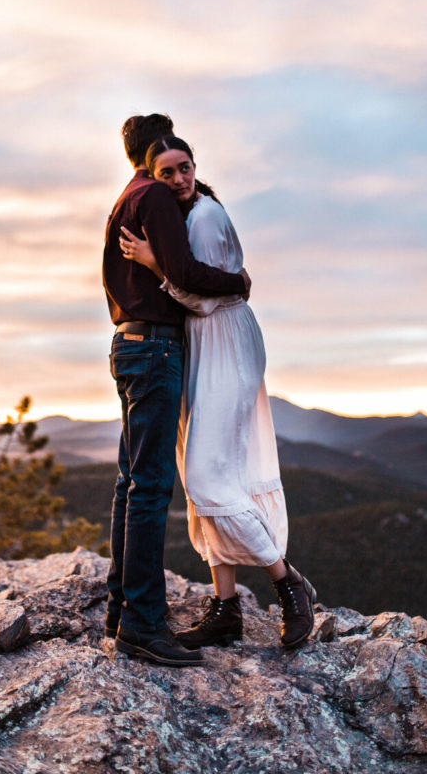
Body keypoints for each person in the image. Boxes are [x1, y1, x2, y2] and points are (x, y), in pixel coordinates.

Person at [119, 135, 317, 649]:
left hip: (224, 339)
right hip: (208, 344)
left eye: (185, 168)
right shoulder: (191, 215)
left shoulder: (203, 217)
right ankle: (225, 606)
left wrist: (153, 264)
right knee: (207, 471)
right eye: (168, 173)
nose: (180, 179)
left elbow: (206, 300)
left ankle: (287, 582)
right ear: (154, 177)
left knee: (207, 475)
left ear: (194, 168)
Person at [102, 114, 251, 668]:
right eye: (166, 164)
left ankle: (123, 611)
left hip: (129, 344)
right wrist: (237, 282)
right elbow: (185, 271)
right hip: (155, 348)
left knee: (131, 482)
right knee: (149, 488)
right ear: (149, 157)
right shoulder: (156, 198)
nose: (175, 175)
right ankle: (141, 623)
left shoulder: (126, 197)